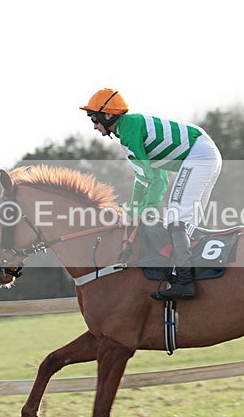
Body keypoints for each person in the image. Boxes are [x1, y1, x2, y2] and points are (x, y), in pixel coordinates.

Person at [80, 88, 223, 299]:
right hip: (205, 153)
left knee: (176, 215)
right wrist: (140, 211)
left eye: (94, 118)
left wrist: (139, 213)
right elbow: (153, 179)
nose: (94, 126)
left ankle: (184, 281)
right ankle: (195, 274)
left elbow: (150, 181)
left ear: (108, 115)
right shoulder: (131, 127)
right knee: (189, 221)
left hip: (199, 154)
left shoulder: (127, 131)